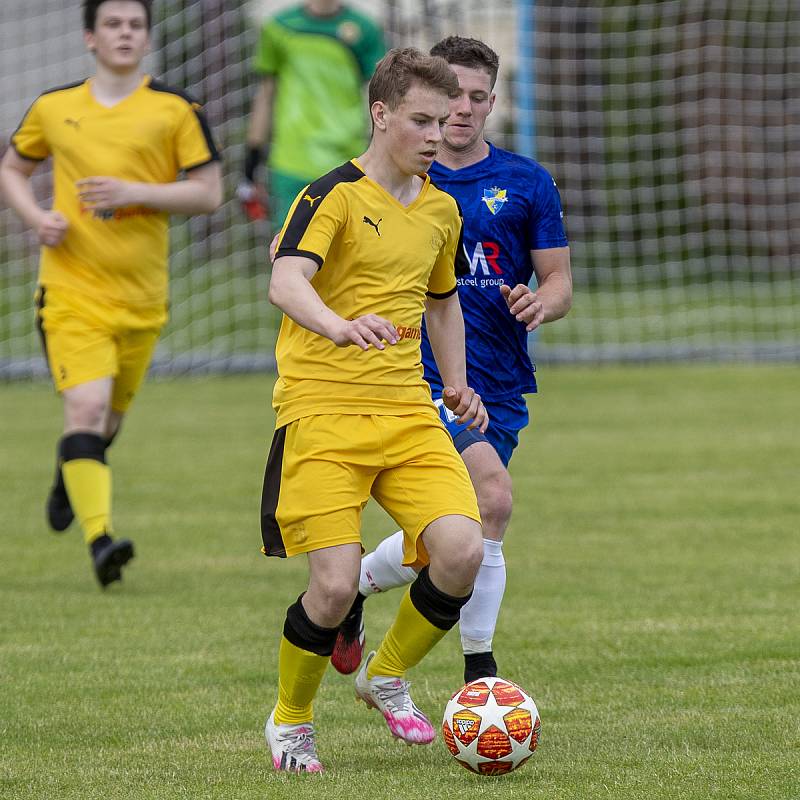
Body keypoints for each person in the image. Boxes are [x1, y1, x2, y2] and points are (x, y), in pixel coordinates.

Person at [260, 47, 488, 773]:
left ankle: (385, 675)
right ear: (380, 114)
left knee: (462, 551)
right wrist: (336, 324)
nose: (435, 135)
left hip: (407, 413)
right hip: (322, 412)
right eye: (421, 120)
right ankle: (290, 722)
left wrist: (457, 383)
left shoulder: (442, 209)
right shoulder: (331, 195)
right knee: (331, 586)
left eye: (444, 121)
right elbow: (287, 282)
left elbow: (443, 302)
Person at [331, 36, 573, 684]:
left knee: (454, 534)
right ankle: (480, 675)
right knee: (492, 498)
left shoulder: (527, 183)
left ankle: (352, 583)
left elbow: (559, 283)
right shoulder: (402, 182)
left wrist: (540, 305)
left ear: (493, 101)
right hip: (422, 378)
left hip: (499, 382)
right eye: (450, 99)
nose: (461, 111)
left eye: (475, 97)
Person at [0, 0, 222, 587]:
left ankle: (68, 466)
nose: (125, 33)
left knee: (104, 426)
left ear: (146, 38)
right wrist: (35, 217)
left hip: (143, 298)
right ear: (89, 38)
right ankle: (101, 542)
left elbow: (207, 193)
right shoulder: (54, 107)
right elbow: (11, 170)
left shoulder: (174, 110)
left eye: (135, 25)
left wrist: (134, 190)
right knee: (88, 409)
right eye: (113, 25)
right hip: (70, 289)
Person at [238, 0, 385, 229]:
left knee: (349, 256)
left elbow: (380, 97)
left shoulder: (365, 29)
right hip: (292, 162)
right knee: (288, 253)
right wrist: (251, 161)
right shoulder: (279, 27)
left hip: (347, 161)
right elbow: (266, 94)